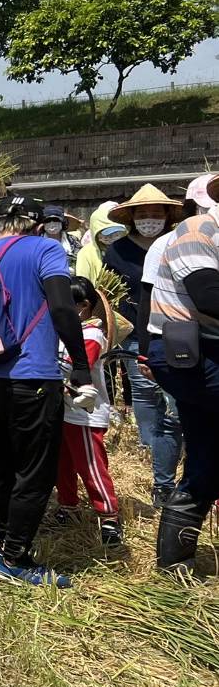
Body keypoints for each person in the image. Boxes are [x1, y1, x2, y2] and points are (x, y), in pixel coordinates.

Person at [0, 194, 92, 588]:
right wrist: (82, 367)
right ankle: (16, 558)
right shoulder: (45, 249)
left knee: (0, 462)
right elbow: (62, 307)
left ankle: (0, 542)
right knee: (35, 470)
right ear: (37, 224)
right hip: (33, 374)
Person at [143, 182, 219, 572]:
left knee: (207, 458)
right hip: (189, 355)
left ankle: (176, 564)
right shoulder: (197, 232)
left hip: (204, 354)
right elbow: (208, 295)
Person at [107, 183, 186, 506]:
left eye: (155, 214)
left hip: (172, 330)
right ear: (132, 218)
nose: (149, 219)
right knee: (141, 390)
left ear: (167, 216)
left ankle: (168, 454)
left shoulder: (178, 244)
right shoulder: (118, 251)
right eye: (143, 215)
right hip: (134, 330)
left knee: (173, 397)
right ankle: (149, 445)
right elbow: (109, 290)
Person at [55, 276, 122, 548]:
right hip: (64, 410)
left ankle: (108, 515)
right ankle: (68, 505)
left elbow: (75, 366)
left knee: (90, 466)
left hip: (85, 415)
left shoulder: (91, 333)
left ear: (83, 306)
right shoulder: (64, 330)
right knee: (63, 463)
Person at [75, 202, 126, 283]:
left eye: (117, 234)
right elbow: (83, 281)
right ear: (97, 234)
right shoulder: (86, 253)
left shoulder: (130, 248)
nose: (112, 238)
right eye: (108, 234)